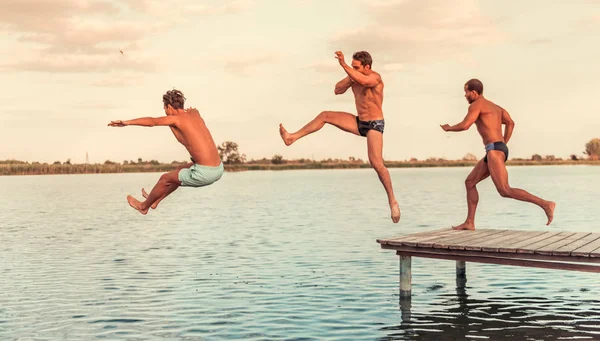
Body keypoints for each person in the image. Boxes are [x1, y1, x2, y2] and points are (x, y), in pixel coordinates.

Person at [279, 51, 400, 223]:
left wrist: (344, 66)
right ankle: (291, 138)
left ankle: (392, 201)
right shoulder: (354, 77)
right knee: (325, 115)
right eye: (352, 66)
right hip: (359, 121)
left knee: (377, 163)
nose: (353, 69)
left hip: (374, 124)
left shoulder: (375, 77)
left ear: (367, 66)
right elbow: (337, 90)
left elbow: (365, 81)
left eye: (356, 67)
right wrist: (350, 76)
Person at [440, 79, 556, 230]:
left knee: (505, 190)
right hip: (496, 149)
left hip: (494, 150)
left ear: (474, 92)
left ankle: (545, 204)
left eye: (466, 92)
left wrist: (449, 128)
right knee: (470, 182)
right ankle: (470, 222)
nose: (465, 95)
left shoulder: (476, 105)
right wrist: (503, 144)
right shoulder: (496, 108)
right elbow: (510, 123)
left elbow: (465, 125)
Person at [108, 89, 223, 214]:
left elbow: (152, 121)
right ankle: (155, 201)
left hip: (204, 173)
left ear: (169, 106)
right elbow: (194, 110)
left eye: (165, 108)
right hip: (218, 168)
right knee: (179, 171)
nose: (165, 112)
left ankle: (143, 207)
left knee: (164, 178)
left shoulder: (176, 120)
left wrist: (127, 122)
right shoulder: (194, 114)